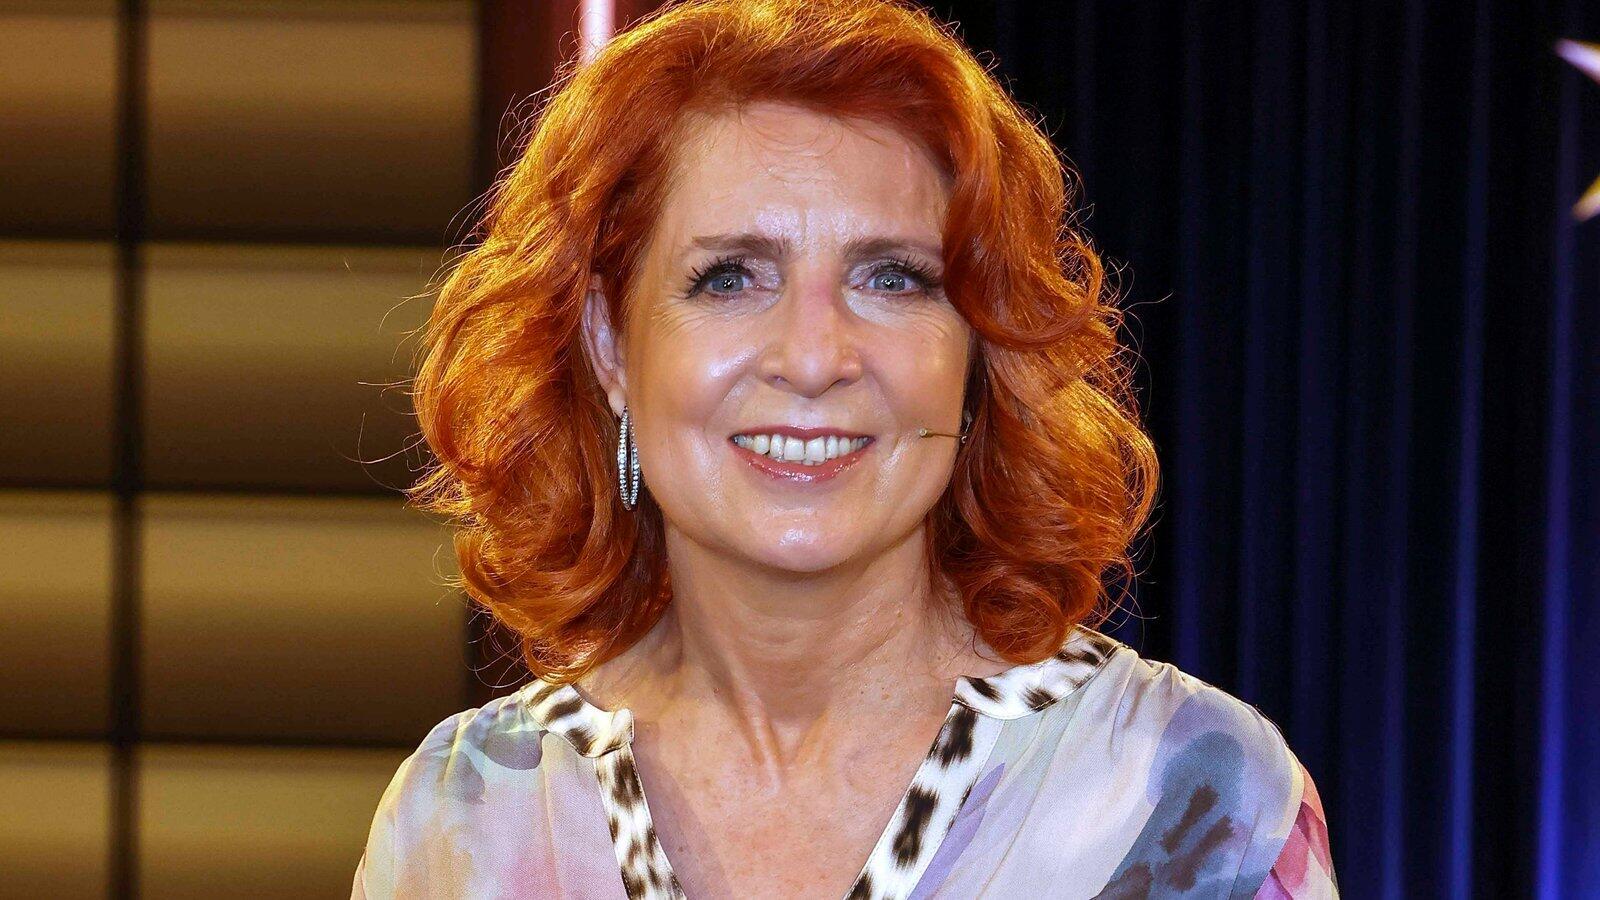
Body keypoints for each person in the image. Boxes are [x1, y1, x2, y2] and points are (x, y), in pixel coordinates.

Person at [351, 0, 1339, 897]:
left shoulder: (1197, 796)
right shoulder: (463, 822)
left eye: (893, 278)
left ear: (980, 349)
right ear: (610, 346)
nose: (815, 357)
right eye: (730, 277)